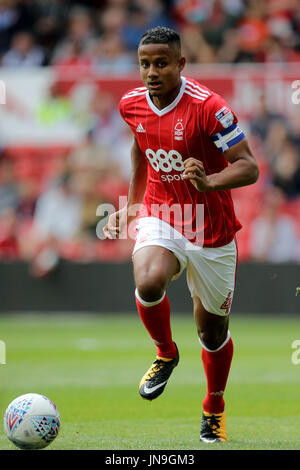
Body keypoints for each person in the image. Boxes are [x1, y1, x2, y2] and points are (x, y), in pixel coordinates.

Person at [103, 26, 259, 443]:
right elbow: (141, 146)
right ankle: (165, 353)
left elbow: (249, 166)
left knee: (212, 333)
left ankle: (214, 408)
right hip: (163, 213)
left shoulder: (209, 107)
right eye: (144, 64)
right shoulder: (131, 104)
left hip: (212, 230)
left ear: (180, 64)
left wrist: (209, 182)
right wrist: (134, 203)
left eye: (160, 63)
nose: (151, 72)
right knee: (148, 280)